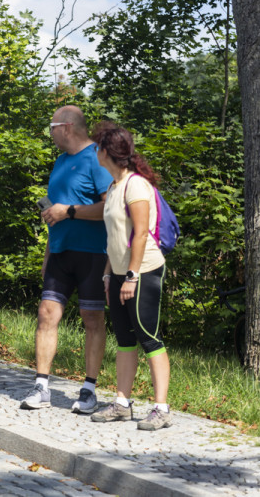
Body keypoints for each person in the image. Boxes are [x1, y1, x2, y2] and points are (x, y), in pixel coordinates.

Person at [20, 105, 112, 413]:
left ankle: (89, 390)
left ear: (67, 128)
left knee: (92, 319)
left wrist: (69, 211)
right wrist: (48, 252)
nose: (50, 133)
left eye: (52, 127)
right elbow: (53, 215)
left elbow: (108, 208)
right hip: (60, 253)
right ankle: (41, 386)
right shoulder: (60, 162)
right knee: (46, 314)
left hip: (93, 254)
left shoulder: (98, 158)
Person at [90, 122, 172, 430]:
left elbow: (139, 235)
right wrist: (110, 274)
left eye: (98, 146)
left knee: (149, 337)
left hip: (144, 271)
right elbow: (116, 237)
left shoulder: (135, 185)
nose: (95, 151)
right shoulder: (113, 186)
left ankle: (162, 408)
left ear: (107, 152)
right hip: (120, 273)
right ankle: (122, 404)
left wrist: (133, 276)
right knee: (124, 339)